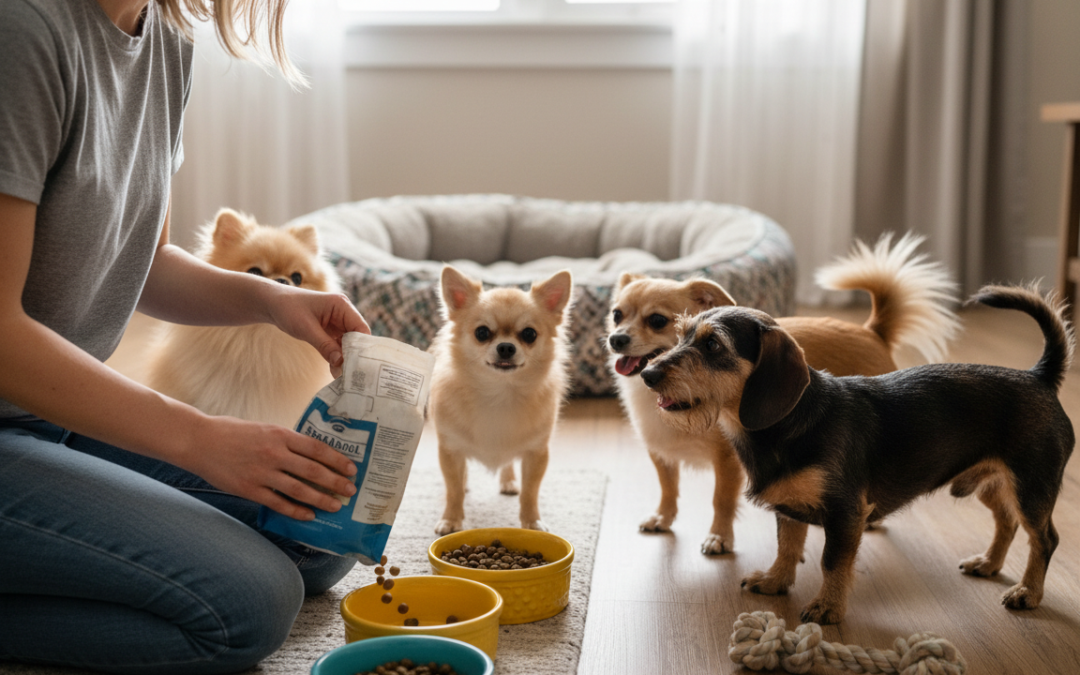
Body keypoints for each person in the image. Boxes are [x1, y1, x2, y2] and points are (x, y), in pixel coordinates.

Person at [0, 1, 369, 672]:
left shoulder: (165, 42)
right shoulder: (22, 33)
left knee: (320, 528)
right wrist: (198, 437)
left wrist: (272, 300)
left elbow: (138, 261)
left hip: (50, 413)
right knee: (250, 604)